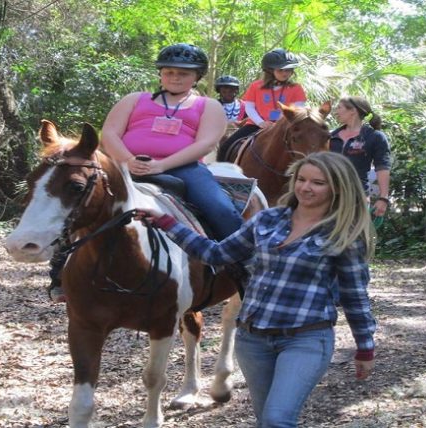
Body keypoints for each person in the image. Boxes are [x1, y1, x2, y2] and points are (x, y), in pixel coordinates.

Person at [135, 151, 377, 427]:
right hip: (253, 340)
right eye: (301, 179)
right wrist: (167, 223)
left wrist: (365, 347)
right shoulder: (268, 220)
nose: (306, 187)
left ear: (337, 187)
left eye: (318, 182)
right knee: (265, 420)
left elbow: (355, 295)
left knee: (277, 420)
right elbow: (215, 254)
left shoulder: (344, 233)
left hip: (305, 339)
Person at [100, 43, 243, 241]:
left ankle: (243, 260)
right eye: (169, 72)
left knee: (221, 210)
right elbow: (109, 133)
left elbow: (206, 144)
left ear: (197, 77)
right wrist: (128, 160)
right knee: (76, 194)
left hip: (184, 169)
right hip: (124, 165)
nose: (175, 77)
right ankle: (61, 254)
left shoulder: (208, 105)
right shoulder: (134, 99)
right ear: (161, 74)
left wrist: (161, 165)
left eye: (183, 73)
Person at [216, 48, 307, 162]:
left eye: (288, 70)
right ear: (269, 70)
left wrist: (277, 124)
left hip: (284, 127)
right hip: (255, 124)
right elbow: (249, 107)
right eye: (281, 70)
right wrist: (261, 123)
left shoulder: (296, 88)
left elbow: (297, 110)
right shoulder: (256, 86)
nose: (285, 73)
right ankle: (220, 174)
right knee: (226, 146)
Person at [330, 96, 392, 218]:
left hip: (357, 199)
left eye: (339, 108)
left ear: (352, 110)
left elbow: (382, 167)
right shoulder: (331, 136)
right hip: (328, 198)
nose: (336, 112)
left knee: (352, 236)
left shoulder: (374, 137)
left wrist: (383, 198)